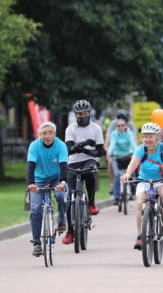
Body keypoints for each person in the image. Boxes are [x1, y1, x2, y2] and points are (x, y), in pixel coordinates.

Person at [120, 122, 163, 250]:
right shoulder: (141, 149)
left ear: (157, 136)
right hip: (144, 181)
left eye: (150, 136)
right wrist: (128, 173)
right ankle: (140, 235)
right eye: (145, 136)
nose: (147, 139)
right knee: (140, 204)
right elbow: (134, 162)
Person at [62, 100, 104, 244]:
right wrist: (85, 144)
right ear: (75, 115)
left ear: (89, 113)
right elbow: (68, 149)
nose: (83, 116)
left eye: (85, 114)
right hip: (73, 162)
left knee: (90, 172)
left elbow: (99, 151)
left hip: (89, 160)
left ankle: (91, 203)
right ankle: (70, 231)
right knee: (68, 197)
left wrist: (82, 149)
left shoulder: (96, 129)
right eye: (80, 114)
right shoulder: (70, 129)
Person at [26, 122, 69, 257]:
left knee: (62, 196)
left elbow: (63, 165)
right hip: (39, 180)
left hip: (57, 178)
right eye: (44, 133)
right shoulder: (34, 146)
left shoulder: (61, 145)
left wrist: (62, 182)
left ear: (55, 134)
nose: (47, 136)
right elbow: (30, 166)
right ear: (40, 135)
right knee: (35, 208)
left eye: (50, 133)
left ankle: (62, 219)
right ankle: (37, 243)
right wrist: (31, 183)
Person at [104, 110, 138, 194]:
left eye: (126, 122)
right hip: (116, 151)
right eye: (126, 121)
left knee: (134, 162)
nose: (127, 122)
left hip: (128, 150)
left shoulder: (130, 126)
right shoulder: (113, 125)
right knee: (110, 162)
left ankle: (133, 184)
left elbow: (134, 139)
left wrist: (137, 151)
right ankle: (112, 184)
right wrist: (106, 150)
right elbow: (109, 138)